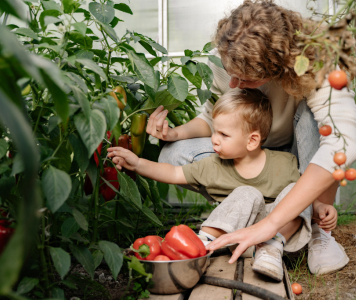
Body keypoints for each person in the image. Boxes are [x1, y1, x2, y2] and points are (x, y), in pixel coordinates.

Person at [146, 0, 355, 275]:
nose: (233, 85)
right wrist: (175, 133)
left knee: (317, 120)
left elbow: (343, 143)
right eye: (230, 74)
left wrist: (269, 226)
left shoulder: (319, 63)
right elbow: (213, 118)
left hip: (298, 157)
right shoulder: (229, 53)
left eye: (245, 79)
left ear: (280, 67)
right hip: (250, 156)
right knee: (174, 153)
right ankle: (252, 211)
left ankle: (313, 227)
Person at [108, 89, 336, 281]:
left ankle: (270, 249)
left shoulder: (285, 164)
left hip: (275, 233)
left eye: (223, 134)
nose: (214, 139)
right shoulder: (214, 165)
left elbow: (306, 195)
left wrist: (319, 208)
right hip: (234, 234)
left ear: (252, 140)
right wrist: (137, 163)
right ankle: (202, 245)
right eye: (214, 130)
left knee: (295, 190)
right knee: (247, 193)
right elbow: (173, 171)